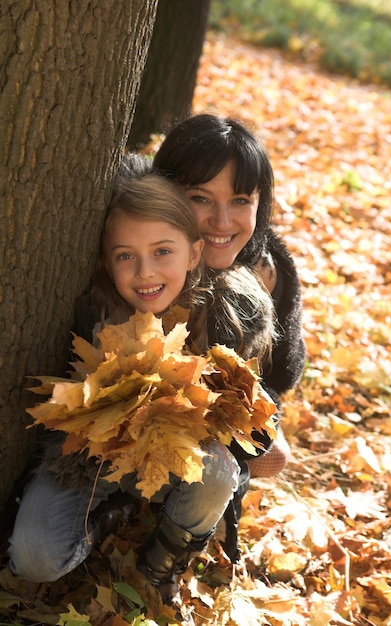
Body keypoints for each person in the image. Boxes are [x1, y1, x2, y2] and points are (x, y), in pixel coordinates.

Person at [8, 167, 279, 622]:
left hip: (178, 449)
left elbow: (249, 413)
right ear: (104, 262)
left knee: (216, 471)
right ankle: (108, 517)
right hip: (91, 454)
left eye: (162, 252)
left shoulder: (220, 315)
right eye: (125, 256)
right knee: (35, 560)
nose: (146, 272)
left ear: (194, 253)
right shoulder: (91, 310)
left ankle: (162, 561)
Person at [153, 113, 305, 479]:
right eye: (201, 198)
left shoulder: (269, 270)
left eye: (240, 200)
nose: (222, 222)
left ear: (259, 202)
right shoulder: (140, 252)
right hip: (144, 410)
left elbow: (281, 375)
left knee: (273, 457)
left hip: (216, 421)